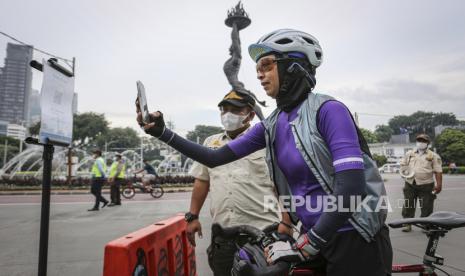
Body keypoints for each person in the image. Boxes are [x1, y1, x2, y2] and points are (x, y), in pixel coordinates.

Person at [137, 29, 392, 275]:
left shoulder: (328, 111)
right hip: (313, 239)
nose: (260, 75)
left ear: (294, 67)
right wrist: (160, 132)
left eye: (267, 65)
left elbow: (351, 188)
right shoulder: (272, 124)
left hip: (354, 237)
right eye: (258, 69)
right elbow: (214, 158)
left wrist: (310, 242)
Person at [186, 91, 283, 275]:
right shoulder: (211, 143)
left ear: (251, 115)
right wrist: (193, 216)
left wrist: (288, 223)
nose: (228, 115)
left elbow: (282, 186)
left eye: (236, 110)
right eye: (224, 110)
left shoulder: (267, 142)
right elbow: (202, 181)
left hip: (263, 233)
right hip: (223, 235)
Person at [400, 134, 443, 232]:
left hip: (427, 184)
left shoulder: (433, 156)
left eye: (423, 141)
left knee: (426, 206)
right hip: (410, 183)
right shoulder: (410, 153)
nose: (421, 143)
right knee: (408, 204)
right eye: (419, 140)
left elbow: (438, 171)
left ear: (428, 143)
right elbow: (403, 165)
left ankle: (425, 224)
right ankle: (407, 223)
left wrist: (439, 185)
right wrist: (404, 172)